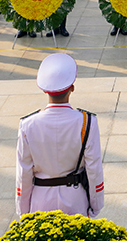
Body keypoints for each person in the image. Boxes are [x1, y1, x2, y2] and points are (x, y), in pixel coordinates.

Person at [16, 53, 105, 218]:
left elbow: (24, 173)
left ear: (44, 90)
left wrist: (23, 211)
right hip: (75, 198)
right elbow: (94, 168)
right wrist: (96, 204)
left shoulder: (28, 125)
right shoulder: (87, 122)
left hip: (40, 200)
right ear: (72, 88)